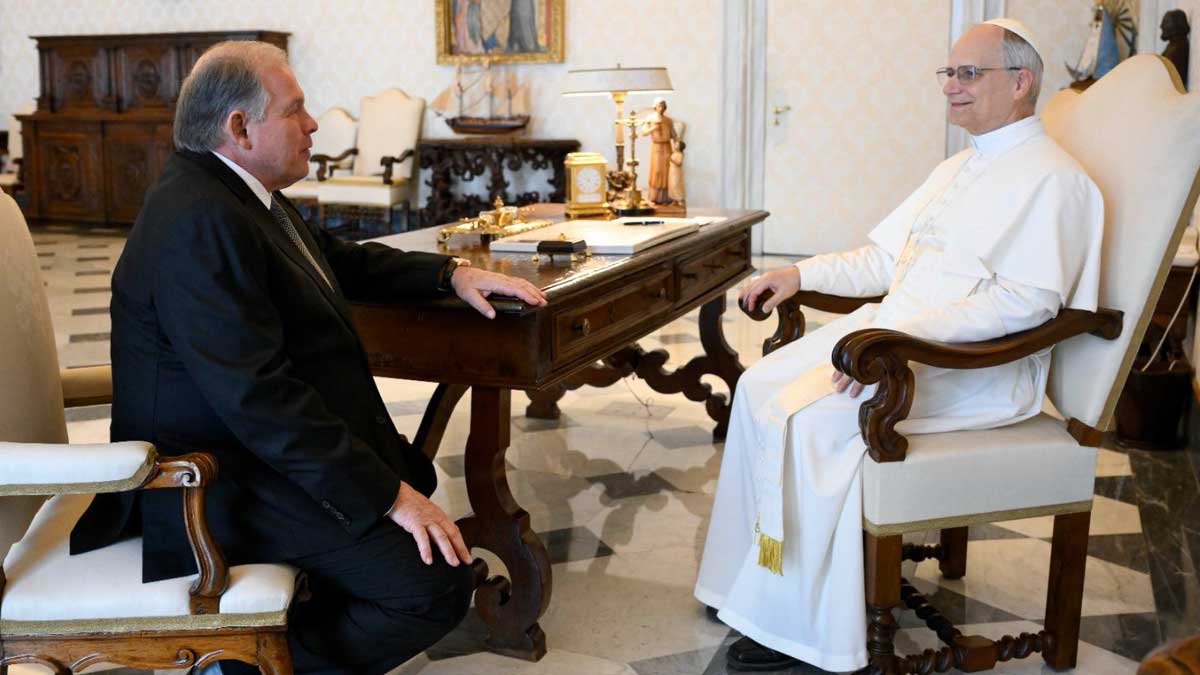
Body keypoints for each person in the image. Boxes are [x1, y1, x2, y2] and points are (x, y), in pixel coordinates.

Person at [68, 41, 546, 675]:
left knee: (415, 492)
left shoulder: (233, 191)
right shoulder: (199, 220)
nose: (314, 124)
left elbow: (337, 260)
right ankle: (241, 663)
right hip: (209, 483)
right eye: (295, 110)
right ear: (240, 128)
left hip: (249, 456)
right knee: (432, 583)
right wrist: (389, 498)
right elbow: (260, 398)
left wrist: (450, 274)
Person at [694, 19, 1104, 672]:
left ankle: (803, 630)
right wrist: (799, 274)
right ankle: (748, 583)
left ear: (1020, 82)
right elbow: (884, 260)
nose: (950, 86)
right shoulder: (958, 167)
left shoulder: (1056, 180)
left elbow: (1024, 305)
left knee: (814, 422)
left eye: (968, 73)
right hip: (892, 342)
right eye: (949, 73)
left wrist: (898, 341)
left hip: (971, 370)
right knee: (758, 386)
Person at [638, 97, 679, 204]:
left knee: (667, 171)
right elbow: (644, 132)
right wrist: (653, 128)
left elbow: (673, 134)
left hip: (667, 147)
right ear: (655, 106)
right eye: (660, 105)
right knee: (657, 171)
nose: (661, 108)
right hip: (656, 147)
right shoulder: (650, 118)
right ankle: (655, 197)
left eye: (663, 106)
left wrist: (677, 143)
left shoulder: (668, 120)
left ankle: (667, 197)